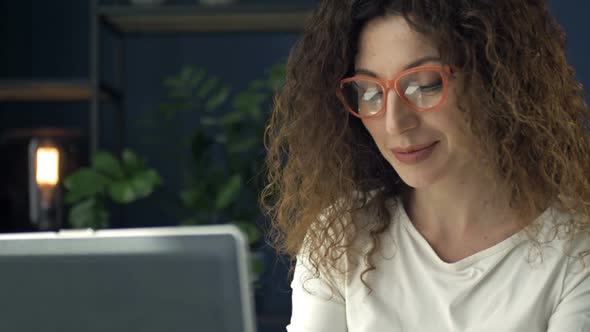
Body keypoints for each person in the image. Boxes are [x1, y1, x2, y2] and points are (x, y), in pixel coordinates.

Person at [261, 0, 590, 331]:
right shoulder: (343, 233)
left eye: (424, 84)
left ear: (497, 82)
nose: (394, 123)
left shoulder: (577, 250)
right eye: (369, 91)